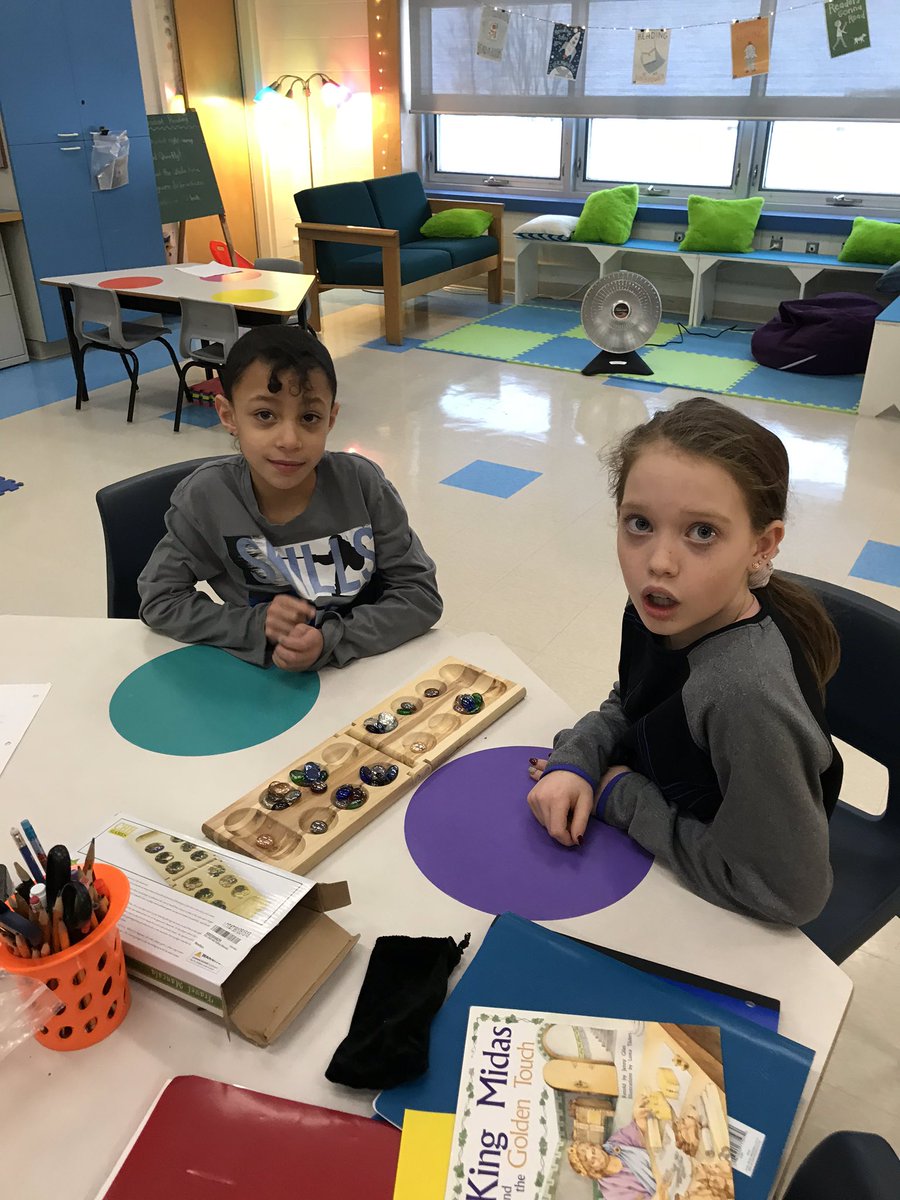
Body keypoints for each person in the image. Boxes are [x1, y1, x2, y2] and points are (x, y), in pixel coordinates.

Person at [526, 397, 842, 925]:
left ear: (762, 545)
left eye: (702, 532)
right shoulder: (662, 608)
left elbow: (788, 894)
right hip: (671, 830)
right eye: (639, 523)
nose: (659, 562)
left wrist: (621, 796)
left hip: (726, 899)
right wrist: (580, 757)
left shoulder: (746, 692)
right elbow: (635, 699)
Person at [138, 325, 442, 670]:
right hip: (261, 683)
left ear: (330, 418)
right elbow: (160, 599)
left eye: (309, 417)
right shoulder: (207, 498)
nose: (290, 440)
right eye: (264, 415)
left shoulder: (362, 484)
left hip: (361, 670)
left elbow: (420, 597)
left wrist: (332, 639)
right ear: (228, 415)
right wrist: (255, 624)